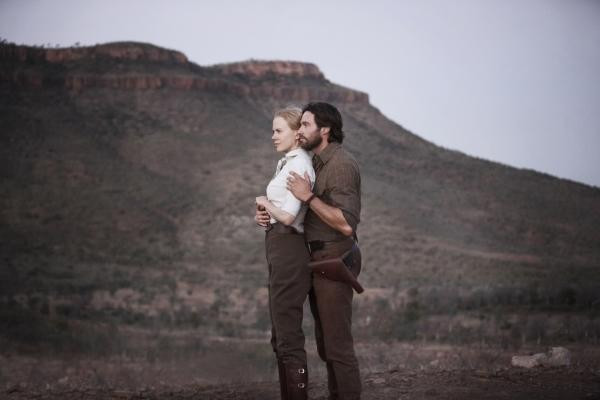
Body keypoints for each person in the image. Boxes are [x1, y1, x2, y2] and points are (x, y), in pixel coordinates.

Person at [287, 102, 363, 400]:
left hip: (335, 258)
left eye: (305, 125)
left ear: (325, 129)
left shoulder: (342, 165)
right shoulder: (313, 161)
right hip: (316, 258)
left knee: (337, 344)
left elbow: (345, 224)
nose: (300, 131)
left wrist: (307, 197)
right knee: (324, 341)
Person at [254, 106, 316, 400]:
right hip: (277, 245)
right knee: (279, 334)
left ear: (296, 134)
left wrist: (265, 203)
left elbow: (290, 216)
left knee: (288, 334)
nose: (273, 136)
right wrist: (264, 215)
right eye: (273, 130)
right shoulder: (286, 163)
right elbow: (282, 214)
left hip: (289, 248)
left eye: (279, 130)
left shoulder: (298, 164)